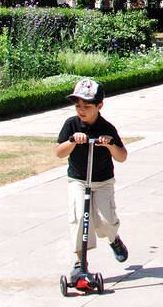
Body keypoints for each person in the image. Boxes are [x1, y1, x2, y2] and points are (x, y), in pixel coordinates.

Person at [55, 79, 130, 282]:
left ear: (99, 106)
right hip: (79, 180)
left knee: (106, 221)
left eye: (87, 106)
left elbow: (122, 156)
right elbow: (59, 152)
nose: (81, 110)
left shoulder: (107, 127)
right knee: (79, 217)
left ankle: (114, 239)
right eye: (78, 105)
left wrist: (110, 144)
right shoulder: (71, 124)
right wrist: (72, 140)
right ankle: (80, 261)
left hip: (103, 181)